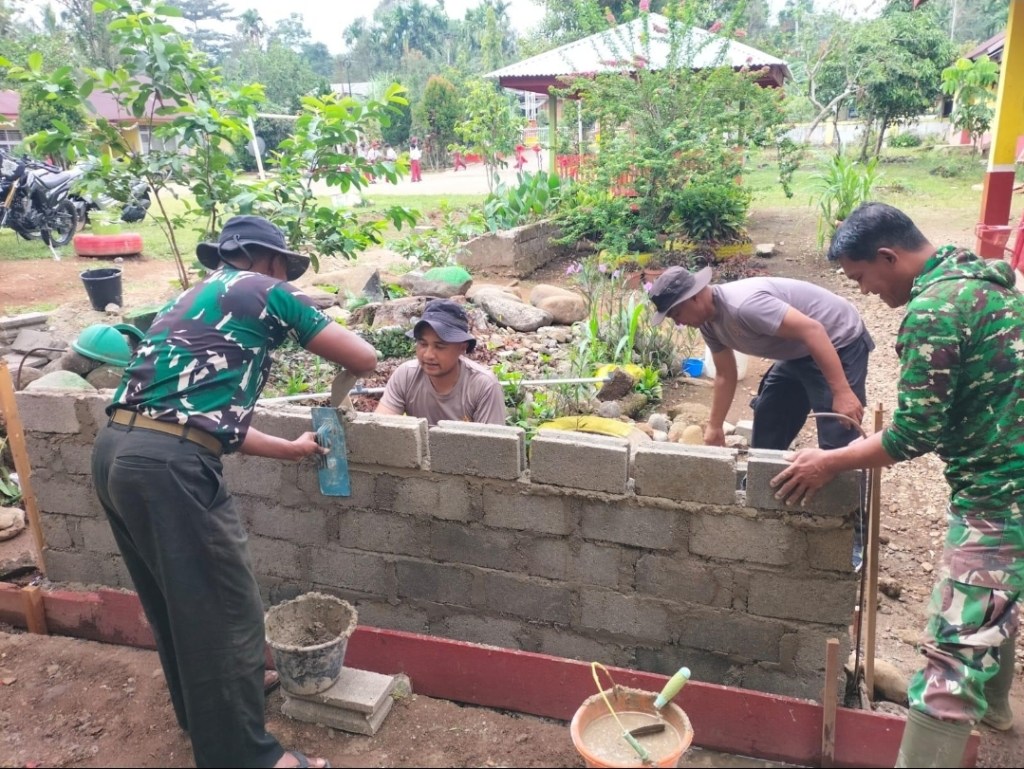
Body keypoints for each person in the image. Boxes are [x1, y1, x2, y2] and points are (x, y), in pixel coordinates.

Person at [92, 215, 378, 769]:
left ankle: (204, 717)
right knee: (229, 614)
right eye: (285, 269)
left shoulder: (193, 298)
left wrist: (290, 448)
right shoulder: (267, 291)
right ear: (271, 262)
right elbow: (363, 358)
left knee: (178, 603)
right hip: (169, 469)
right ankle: (248, 758)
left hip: (116, 453)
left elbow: (201, 416)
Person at [770, 203, 1024, 768]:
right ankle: (999, 711)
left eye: (862, 277)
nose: (863, 291)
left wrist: (830, 462)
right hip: (1009, 480)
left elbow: (912, 434)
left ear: (889, 257)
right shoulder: (987, 282)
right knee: (994, 598)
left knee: (953, 655)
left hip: (1002, 495)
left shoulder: (933, 311)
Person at [648, 265, 874, 452]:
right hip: (797, 350)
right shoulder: (708, 324)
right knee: (770, 414)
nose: (678, 322)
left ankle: (846, 505)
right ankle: (767, 491)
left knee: (839, 431)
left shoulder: (744, 306)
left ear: (694, 298)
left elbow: (813, 331)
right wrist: (714, 427)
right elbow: (726, 374)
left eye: (676, 314)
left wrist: (842, 392)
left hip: (837, 340)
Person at [376, 299, 505, 426]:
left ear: (462, 347)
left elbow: (492, 445)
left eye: (440, 346)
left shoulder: (483, 386)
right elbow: (381, 428)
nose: (428, 355)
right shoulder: (406, 375)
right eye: (423, 344)